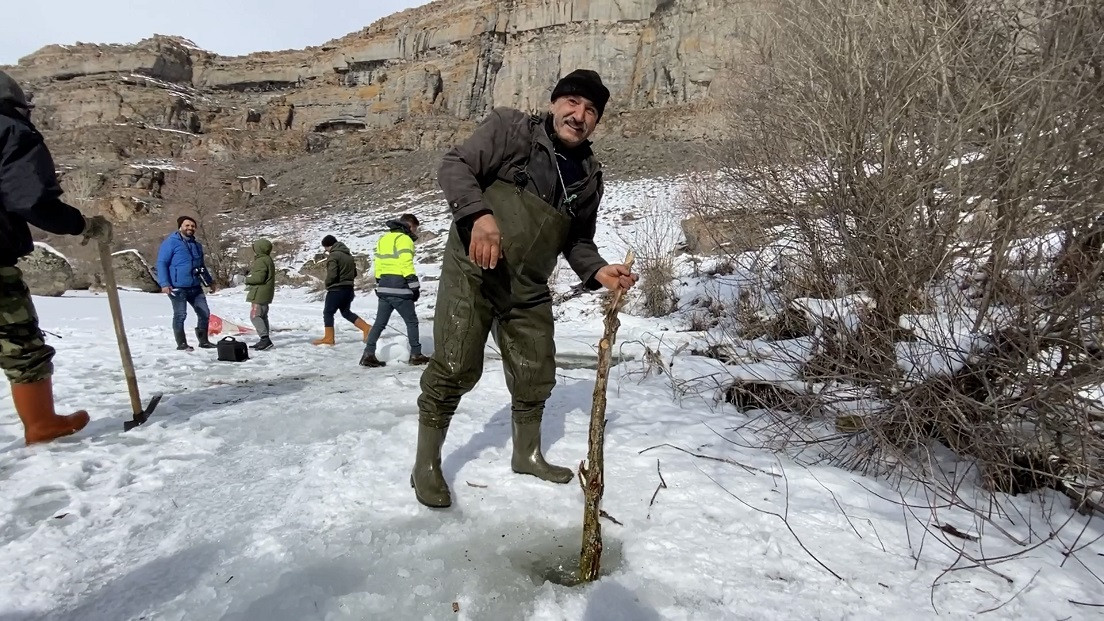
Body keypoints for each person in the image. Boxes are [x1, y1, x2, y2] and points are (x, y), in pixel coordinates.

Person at [411, 69, 639, 508]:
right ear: (555, 103)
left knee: (536, 371)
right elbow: (455, 165)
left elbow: (577, 240)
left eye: (591, 110)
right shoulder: (511, 129)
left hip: (528, 285)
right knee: (456, 367)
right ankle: (426, 464)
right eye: (572, 102)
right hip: (474, 272)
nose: (579, 115)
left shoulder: (589, 175)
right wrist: (479, 215)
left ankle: (526, 454)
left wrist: (599, 271)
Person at [0, 69, 113, 444]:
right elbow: (30, 200)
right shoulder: (10, 130)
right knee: (20, 343)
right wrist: (83, 225)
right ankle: (41, 424)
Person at [360, 214, 429, 367]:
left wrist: (380, 282)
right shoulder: (404, 240)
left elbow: (378, 264)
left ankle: (368, 354)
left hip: (384, 287)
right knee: (411, 322)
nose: (415, 232)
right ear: (410, 225)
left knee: (379, 323)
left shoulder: (383, 239)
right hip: (400, 288)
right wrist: (414, 286)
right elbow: (406, 263)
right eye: (415, 228)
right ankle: (416, 354)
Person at [156, 216, 216, 351]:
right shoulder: (171, 243)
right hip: (177, 286)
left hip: (195, 286)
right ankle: (181, 344)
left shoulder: (197, 245)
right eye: (187, 225)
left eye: (193, 226)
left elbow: (201, 266)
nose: (190, 228)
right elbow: (162, 263)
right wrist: (164, 283)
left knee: (204, 313)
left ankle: (204, 341)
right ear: (180, 227)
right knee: (180, 315)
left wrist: (209, 282)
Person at [311, 235, 371, 345]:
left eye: (326, 248)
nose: (326, 251)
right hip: (349, 289)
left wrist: (327, 284)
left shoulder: (334, 256)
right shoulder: (348, 255)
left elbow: (332, 274)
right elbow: (354, 273)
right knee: (345, 312)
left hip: (336, 290)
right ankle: (366, 328)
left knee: (328, 312)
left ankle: (329, 338)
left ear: (329, 246)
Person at [244, 238, 275, 351]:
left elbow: (259, 278)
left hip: (259, 293)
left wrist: (246, 279)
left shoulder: (261, 260)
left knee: (255, 316)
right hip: (266, 293)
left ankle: (265, 339)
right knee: (263, 316)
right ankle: (265, 339)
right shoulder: (268, 259)